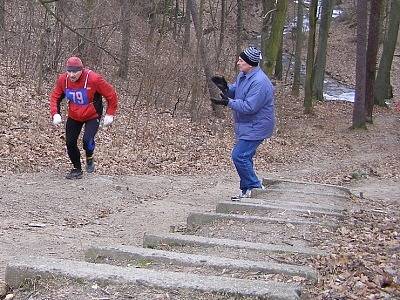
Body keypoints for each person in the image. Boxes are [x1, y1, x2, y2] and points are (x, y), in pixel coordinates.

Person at [211, 46, 275, 200]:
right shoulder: (244, 75)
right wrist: (226, 88)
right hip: (247, 125)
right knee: (245, 157)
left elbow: (250, 106)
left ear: (250, 63)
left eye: (241, 61)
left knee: (239, 156)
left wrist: (228, 103)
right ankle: (246, 189)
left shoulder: (260, 82)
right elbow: (238, 90)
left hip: (257, 125)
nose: (238, 63)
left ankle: (255, 187)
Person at [50, 56, 118, 179]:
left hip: (92, 115)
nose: (72, 74)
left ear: (81, 70)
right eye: (69, 71)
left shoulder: (94, 79)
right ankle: (77, 169)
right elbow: (55, 97)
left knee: (87, 141)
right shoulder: (63, 80)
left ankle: (89, 155)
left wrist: (110, 113)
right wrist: (55, 113)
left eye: (75, 71)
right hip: (74, 115)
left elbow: (111, 94)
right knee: (70, 142)